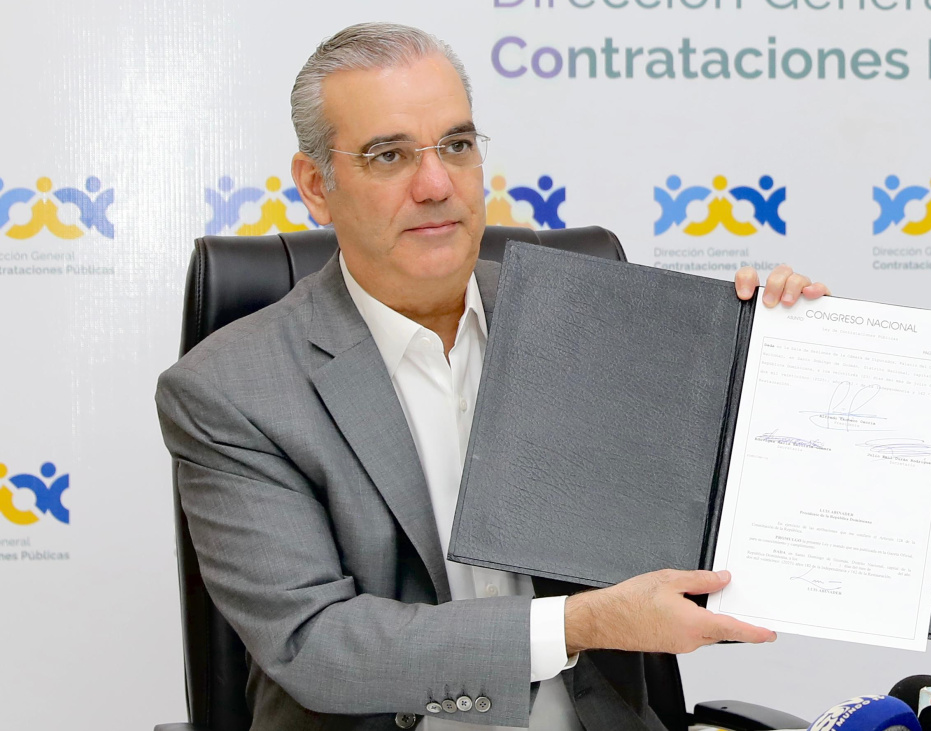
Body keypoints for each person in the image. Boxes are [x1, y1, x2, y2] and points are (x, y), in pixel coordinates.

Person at [156, 22, 830, 731]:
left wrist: (787, 366)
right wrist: (576, 624)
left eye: (456, 145)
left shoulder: (590, 327)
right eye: (389, 155)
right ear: (317, 186)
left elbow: (716, 549)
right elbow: (316, 646)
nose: (436, 185)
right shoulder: (231, 390)